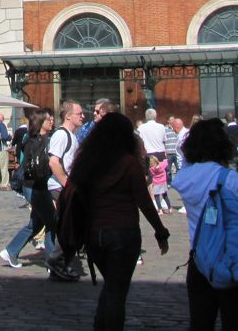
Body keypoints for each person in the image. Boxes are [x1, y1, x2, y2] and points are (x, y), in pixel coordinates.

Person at [68, 112, 169, 331]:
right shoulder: (129, 164)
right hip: (123, 232)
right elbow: (144, 201)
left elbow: (78, 195)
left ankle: (100, 326)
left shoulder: (88, 162)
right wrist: (159, 230)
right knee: (117, 291)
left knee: (112, 287)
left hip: (95, 234)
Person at [173, 118, 238, 331]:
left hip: (200, 258)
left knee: (201, 322)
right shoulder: (231, 179)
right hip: (232, 257)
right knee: (236, 322)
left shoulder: (183, 178)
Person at [0, 110, 56, 267]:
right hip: (34, 186)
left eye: (51, 119)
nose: (51, 122)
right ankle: (52, 261)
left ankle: (10, 251)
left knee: (36, 223)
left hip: (34, 185)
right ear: (40, 123)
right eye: (48, 120)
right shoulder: (36, 141)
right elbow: (36, 166)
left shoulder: (38, 139)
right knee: (52, 221)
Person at [46, 99, 85, 281]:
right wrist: (68, 186)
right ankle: (57, 261)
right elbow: (54, 162)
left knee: (68, 225)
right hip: (59, 187)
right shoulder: (61, 135)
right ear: (68, 116)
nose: (83, 116)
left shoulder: (71, 135)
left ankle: (59, 263)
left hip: (65, 186)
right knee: (70, 226)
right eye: (79, 114)